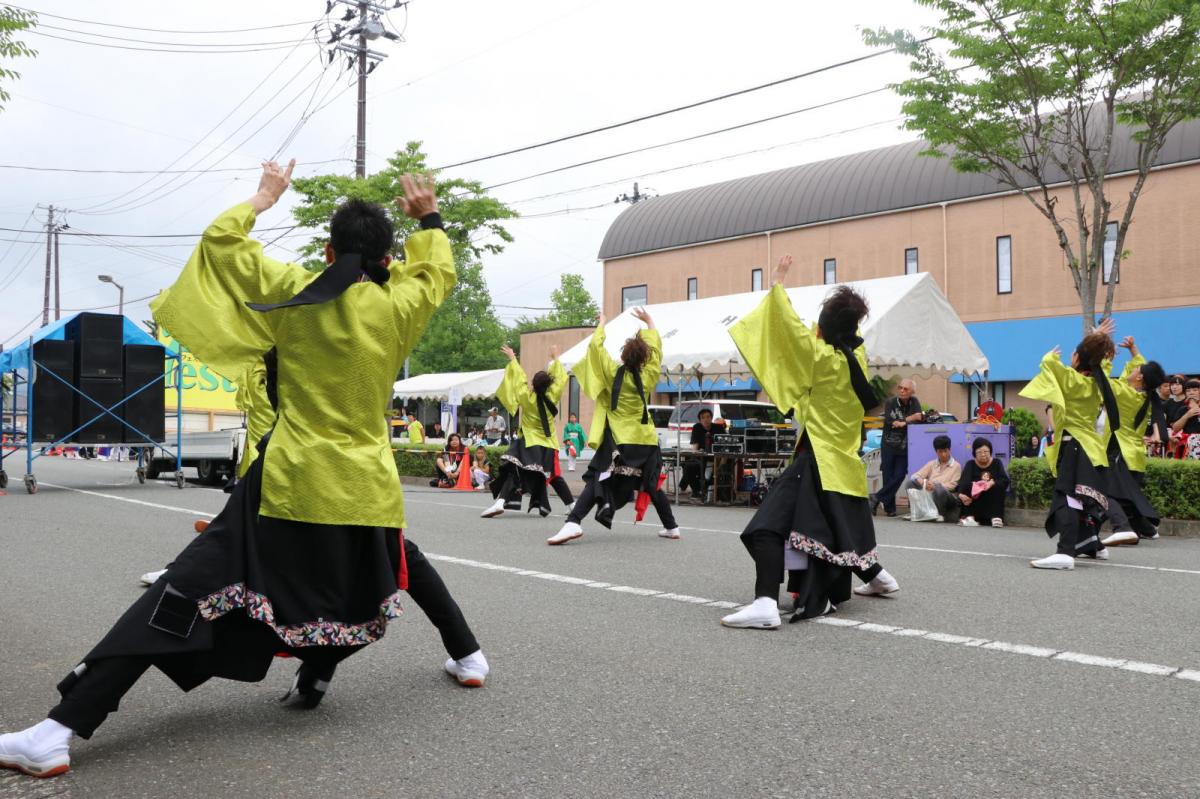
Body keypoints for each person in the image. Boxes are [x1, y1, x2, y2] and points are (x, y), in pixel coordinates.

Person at [0, 166, 491, 780]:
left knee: (177, 592)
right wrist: (430, 217)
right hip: (367, 490)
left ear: (328, 251)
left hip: (290, 480)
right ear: (390, 258)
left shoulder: (293, 292)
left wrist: (263, 198)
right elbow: (437, 271)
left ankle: (59, 728)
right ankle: (340, 676)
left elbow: (221, 245)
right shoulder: (402, 306)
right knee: (341, 598)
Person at [718, 254, 899, 630]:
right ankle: (879, 577)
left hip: (816, 457)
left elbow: (786, 327)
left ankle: (766, 601)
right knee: (838, 529)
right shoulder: (857, 358)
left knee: (766, 527)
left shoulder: (821, 356)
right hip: (843, 462)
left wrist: (778, 281)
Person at [549, 307, 681, 544]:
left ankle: (573, 523)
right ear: (645, 359)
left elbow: (595, 350)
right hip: (646, 440)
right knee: (649, 484)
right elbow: (657, 352)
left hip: (621, 439)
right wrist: (650, 321)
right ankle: (671, 527)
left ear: (623, 356)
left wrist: (602, 324)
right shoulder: (649, 375)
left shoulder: (611, 373)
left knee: (598, 477)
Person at [1019, 318, 1120, 569]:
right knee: (1083, 498)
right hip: (1092, 448)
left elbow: (1048, 363)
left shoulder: (1071, 379)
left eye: (1074, 354)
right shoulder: (1099, 380)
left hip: (1073, 445)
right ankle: (1092, 545)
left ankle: (1065, 552)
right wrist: (1096, 340)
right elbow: (1104, 363)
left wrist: (1051, 355)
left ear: (1077, 358)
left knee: (1066, 496)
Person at [481, 345, 570, 518]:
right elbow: (561, 379)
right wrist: (556, 359)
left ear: (533, 385)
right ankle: (571, 504)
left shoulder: (527, 397)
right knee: (550, 476)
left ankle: (499, 502)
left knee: (514, 471)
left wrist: (513, 358)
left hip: (528, 442)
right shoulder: (553, 396)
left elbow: (518, 379)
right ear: (549, 385)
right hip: (547, 443)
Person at [1099, 337, 1166, 546]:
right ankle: (1146, 528)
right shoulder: (1145, 395)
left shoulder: (1127, 395)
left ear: (1140, 379)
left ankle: (1122, 528)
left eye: (1137, 370)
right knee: (1126, 495)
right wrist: (1133, 350)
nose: (1133, 370)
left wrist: (1105, 359)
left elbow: (1101, 380)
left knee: (1108, 491)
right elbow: (1141, 368)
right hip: (1134, 454)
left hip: (1120, 451)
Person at [870, 378, 923, 517]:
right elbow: (891, 421)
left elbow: (919, 418)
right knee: (888, 477)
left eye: (906, 389)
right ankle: (889, 508)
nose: (902, 390)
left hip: (905, 445)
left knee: (899, 475)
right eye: (900, 387)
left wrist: (904, 422)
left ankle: (876, 498)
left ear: (912, 391)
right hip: (888, 444)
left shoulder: (914, 401)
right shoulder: (891, 402)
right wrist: (909, 420)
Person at [905, 434, 962, 522]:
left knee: (939, 489)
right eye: (940, 451)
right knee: (910, 483)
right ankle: (916, 512)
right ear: (936, 452)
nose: (943, 454)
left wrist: (935, 485)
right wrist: (921, 481)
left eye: (945, 451)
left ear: (949, 450)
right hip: (930, 492)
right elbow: (915, 476)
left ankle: (939, 514)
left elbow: (953, 485)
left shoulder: (956, 466)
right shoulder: (932, 464)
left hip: (947, 497)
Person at [955, 438, 1009, 527]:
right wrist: (961, 494)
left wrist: (991, 483)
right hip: (975, 500)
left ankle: (996, 518)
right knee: (969, 486)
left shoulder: (996, 463)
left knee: (997, 486)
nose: (983, 454)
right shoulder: (970, 464)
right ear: (974, 453)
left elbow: (1005, 481)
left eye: (986, 451)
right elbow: (963, 482)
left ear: (990, 451)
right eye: (979, 452)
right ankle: (969, 517)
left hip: (992, 500)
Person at [678, 408, 726, 502]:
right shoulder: (697, 427)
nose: (706, 419)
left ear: (711, 418)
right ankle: (697, 491)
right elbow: (695, 448)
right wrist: (698, 452)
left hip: (716, 458)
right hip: (701, 458)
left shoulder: (719, 428)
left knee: (714, 470)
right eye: (703, 418)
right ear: (700, 420)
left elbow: (725, 446)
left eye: (708, 417)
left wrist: (721, 463)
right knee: (687, 466)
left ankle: (684, 486)